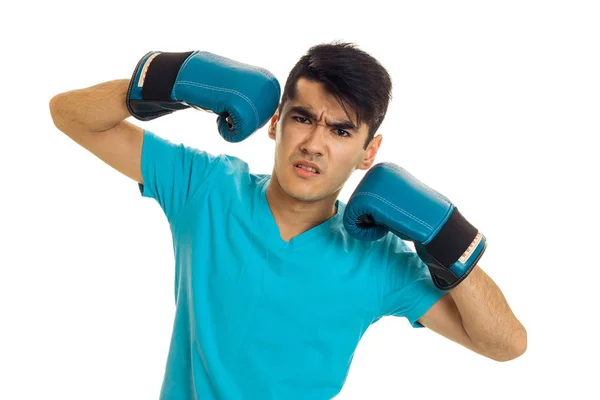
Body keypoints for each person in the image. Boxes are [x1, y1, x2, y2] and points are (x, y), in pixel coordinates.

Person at [49, 42, 526, 400]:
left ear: (369, 152)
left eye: (341, 130)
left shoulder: (378, 261)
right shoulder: (208, 188)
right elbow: (69, 114)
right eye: (303, 118)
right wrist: (173, 79)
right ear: (275, 122)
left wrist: (444, 235)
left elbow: (505, 345)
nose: (314, 144)